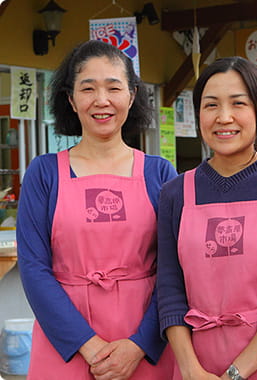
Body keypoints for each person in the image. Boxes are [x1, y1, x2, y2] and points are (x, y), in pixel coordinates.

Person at [16, 40, 176, 379]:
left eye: (113, 88)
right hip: (66, 341)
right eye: (88, 88)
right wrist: (87, 345)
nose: (101, 100)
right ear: (71, 100)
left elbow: (175, 269)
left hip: (146, 343)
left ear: (131, 96)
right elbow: (33, 268)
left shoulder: (160, 173)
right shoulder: (43, 173)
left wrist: (138, 345)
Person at [157, 56, 257, 380]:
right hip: (194, 367)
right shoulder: (175, 192)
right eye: (211, 105)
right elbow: (169, 289)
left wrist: (234, 374)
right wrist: (189, 369)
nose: (224, 117)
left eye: (238, 104)